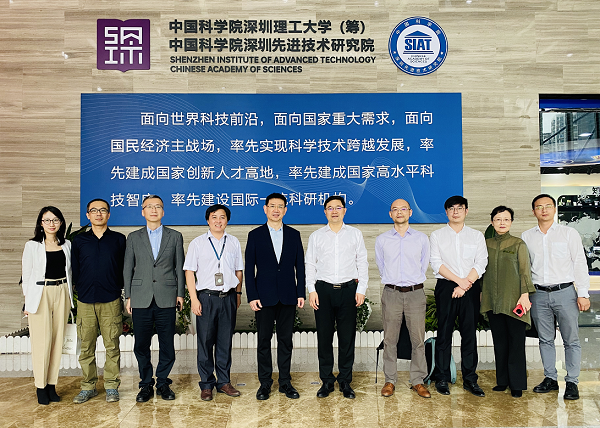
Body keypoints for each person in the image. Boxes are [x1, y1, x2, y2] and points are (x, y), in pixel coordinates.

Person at [522, 194, 591, 400]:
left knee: (571, 340)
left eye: (548, 206)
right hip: (538, 294)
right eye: (539, 207)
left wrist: (583, 293)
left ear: (554, 209)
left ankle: (572, 382)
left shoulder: (569, 233)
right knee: (545, 339)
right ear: (533, 211)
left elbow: (579, 263)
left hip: (565, 293)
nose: (544, 210)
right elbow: (524, 268)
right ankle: (550, 378)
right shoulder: (527, 236)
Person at [123, 195, 185, 402]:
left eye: (158, 206)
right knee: (141, 344)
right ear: (143, 211)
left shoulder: (175, 236)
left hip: (167, 296)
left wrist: (180, 293)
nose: (154, 210)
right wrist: (129, 296)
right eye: (149, 207)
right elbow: (127, 268)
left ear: (163, 211)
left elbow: (179, 267)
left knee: (167, 344)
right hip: (140, 297)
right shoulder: (133, 237)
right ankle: (146, 384)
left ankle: (163, 382)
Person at [306, 195, 368, 399]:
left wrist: (361, 289)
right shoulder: (316, 236)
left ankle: (345, 381)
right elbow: (310, 264)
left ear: (344, 210)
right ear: (325, 212)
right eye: (330, 208)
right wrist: (311, 289)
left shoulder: (355, 234)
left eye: (338, 207)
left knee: (347, 337)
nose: (334, 211)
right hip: (323, 290)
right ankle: (326, 380)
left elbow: (362, 262)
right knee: (324, 337)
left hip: (348, 290)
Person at [245, 193, 306, 401]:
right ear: (265, 209)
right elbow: (249, 268)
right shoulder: (255, 235)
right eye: (272, 206)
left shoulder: (294, 234)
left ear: (285, 210)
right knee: (263, 341)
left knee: (285, 341)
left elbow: (300, 267)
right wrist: (252, 296)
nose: (276, 210)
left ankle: (285, 382)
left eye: (280, 206)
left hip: (288, 295)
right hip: (263, 297)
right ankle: (265, 383)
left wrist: (300, 292)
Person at [429, 195, 487, 397]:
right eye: (451, 208)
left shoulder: (476, 236)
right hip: (446, 287)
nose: (455, 212)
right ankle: (442, 378)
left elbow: (481, 262)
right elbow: (436, 263)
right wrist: (458, 281)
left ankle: (470, 379)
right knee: (444, 334)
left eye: (460, 208)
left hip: (470, 288)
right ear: (446, 212)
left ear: (466, 211)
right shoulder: (437, 235)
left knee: (469, 334)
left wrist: (466, 283)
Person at [184, 204, 243, 402]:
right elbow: (189, 272)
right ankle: (207, 384)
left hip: (228, 297)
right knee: (205, 342)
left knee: (225, 342)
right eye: (214, 217)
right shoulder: (197, 243)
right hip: (206, 298)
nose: (218, 221)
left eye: (222, 217)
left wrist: (238, 293)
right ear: (208, 220)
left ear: (227, 220)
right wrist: (194, 299)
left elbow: (238, 271)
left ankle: (224, 382)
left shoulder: (233, 242)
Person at [71, 199, 126, 403]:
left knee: (112, 345)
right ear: (88, 215)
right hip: (86, 300)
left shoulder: (118, 239)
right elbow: (75, 269)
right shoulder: (79, 240)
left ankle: (111, 386)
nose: (98, 213)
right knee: (86, 346)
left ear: (108, 214)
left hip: (111, 299)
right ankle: (88, 386)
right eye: (94, 210)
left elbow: (123, 267)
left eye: (103, 210)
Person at [375, 199, 431, 398]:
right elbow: (381, 266)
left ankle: (418, 380)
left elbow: (423, 265)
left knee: (418, 340)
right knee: (390, 339)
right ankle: (390, 380)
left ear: (410, 212)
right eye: (395, 209)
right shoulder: (382, 240)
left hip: (415, 293)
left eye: (403, 209)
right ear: (390, 214)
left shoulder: (421, 239)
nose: (399, 212)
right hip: (391, 293)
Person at [480, 206, 535, 398]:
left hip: (514, 300)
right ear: (492, 222)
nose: (502, 223)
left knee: (516, 343)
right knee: (500, 342)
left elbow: (525, 271)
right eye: (498, 219)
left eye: (506, 219)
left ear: (511, 222)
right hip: (493, 300)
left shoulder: (518, 244)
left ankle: (517, 384)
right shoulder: (485, 244)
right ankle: (502, 381)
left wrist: (525, 294)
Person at [21, 206, 74, 405]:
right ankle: (40, 386)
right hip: (40, 293)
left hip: (62, 291)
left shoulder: (67, 244)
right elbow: (26, 276)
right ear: (41, 223)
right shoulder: (32, 246)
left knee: (58, 340)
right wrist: (27, 301)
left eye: (55, 220)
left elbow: (70, 271)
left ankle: (52, 384)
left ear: (61, 223)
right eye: (47, 220)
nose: (52, 224)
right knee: (41, 341)